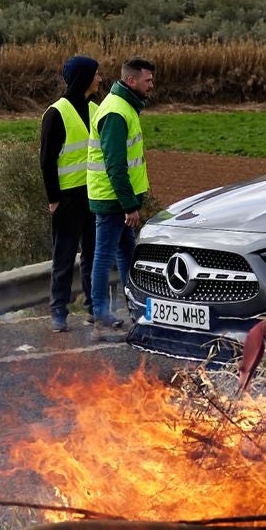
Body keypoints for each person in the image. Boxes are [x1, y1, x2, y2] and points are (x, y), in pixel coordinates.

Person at [88, 57, 154, 329]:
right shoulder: (116, 111)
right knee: (105, 255)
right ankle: (101, 311)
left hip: (119, 199)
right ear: (131, 81)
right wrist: (129, 205)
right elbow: (115, 165)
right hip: (112, 199)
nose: (152, 85)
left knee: (129, 254)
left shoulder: (125, 106)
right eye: (147, 80)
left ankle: (138, 310)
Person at [40, 55, 100, 332]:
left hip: (94, 194)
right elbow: (46, 160)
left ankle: (94, 308)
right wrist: (53, 199)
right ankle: (58, 312)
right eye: (96, 74)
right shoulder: (56, 113)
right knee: (63, 256)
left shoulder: (95, 109)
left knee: (92, 253)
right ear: (84, 78)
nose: (100, 79)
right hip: (67, 198)